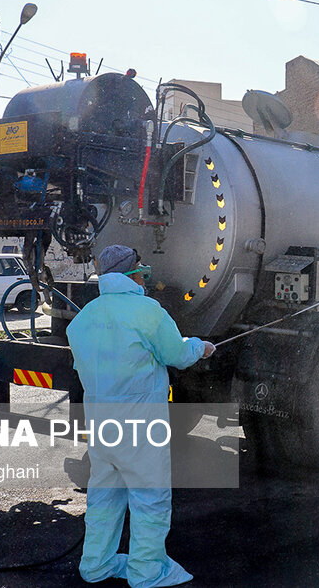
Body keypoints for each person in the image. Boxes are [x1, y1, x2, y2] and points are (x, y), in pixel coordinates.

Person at [66, 244, 215, 588]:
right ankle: (147, 571)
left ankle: (96, 565)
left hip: (102, 426)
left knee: (104, 496)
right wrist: (200, 347)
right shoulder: (148, 311)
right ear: (132, 273)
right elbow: (176, 352)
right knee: (150, 497)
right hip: (141, 425)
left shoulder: (84, 318)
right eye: (140, 267)